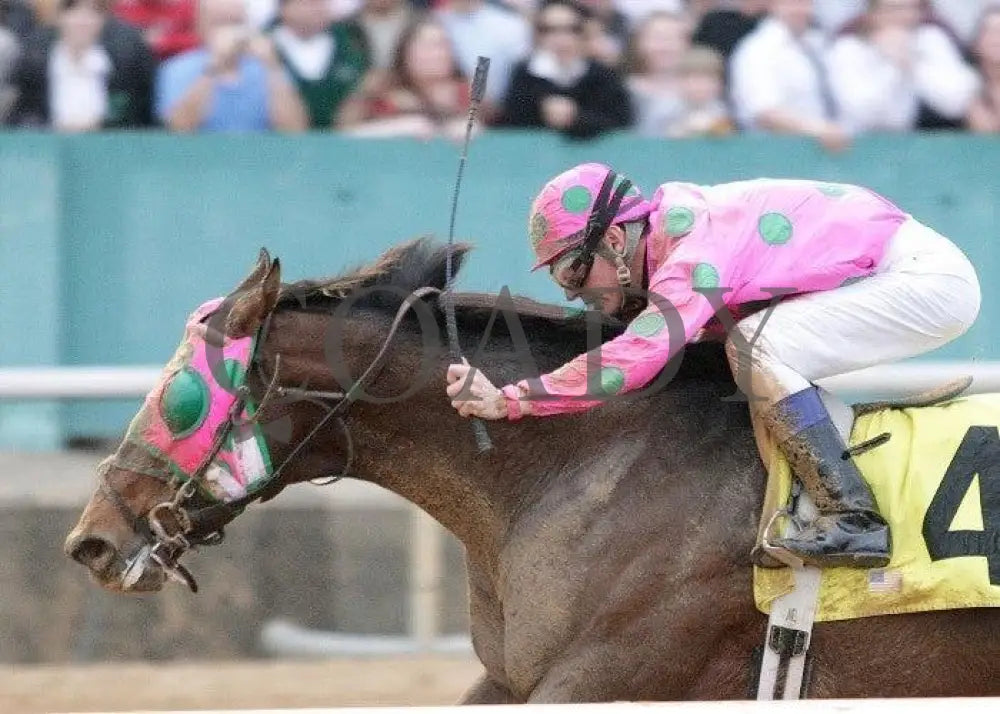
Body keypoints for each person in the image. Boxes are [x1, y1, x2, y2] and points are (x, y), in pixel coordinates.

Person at [445, 162, 981, 570]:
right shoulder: (674, 239)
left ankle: (853, 518)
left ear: (613, 240)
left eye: (573, 270)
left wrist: (512, 398)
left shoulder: (693, 251)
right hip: (894, 269)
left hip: (923, 279)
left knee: (753, 344)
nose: (572, 290)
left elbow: (639, 353)